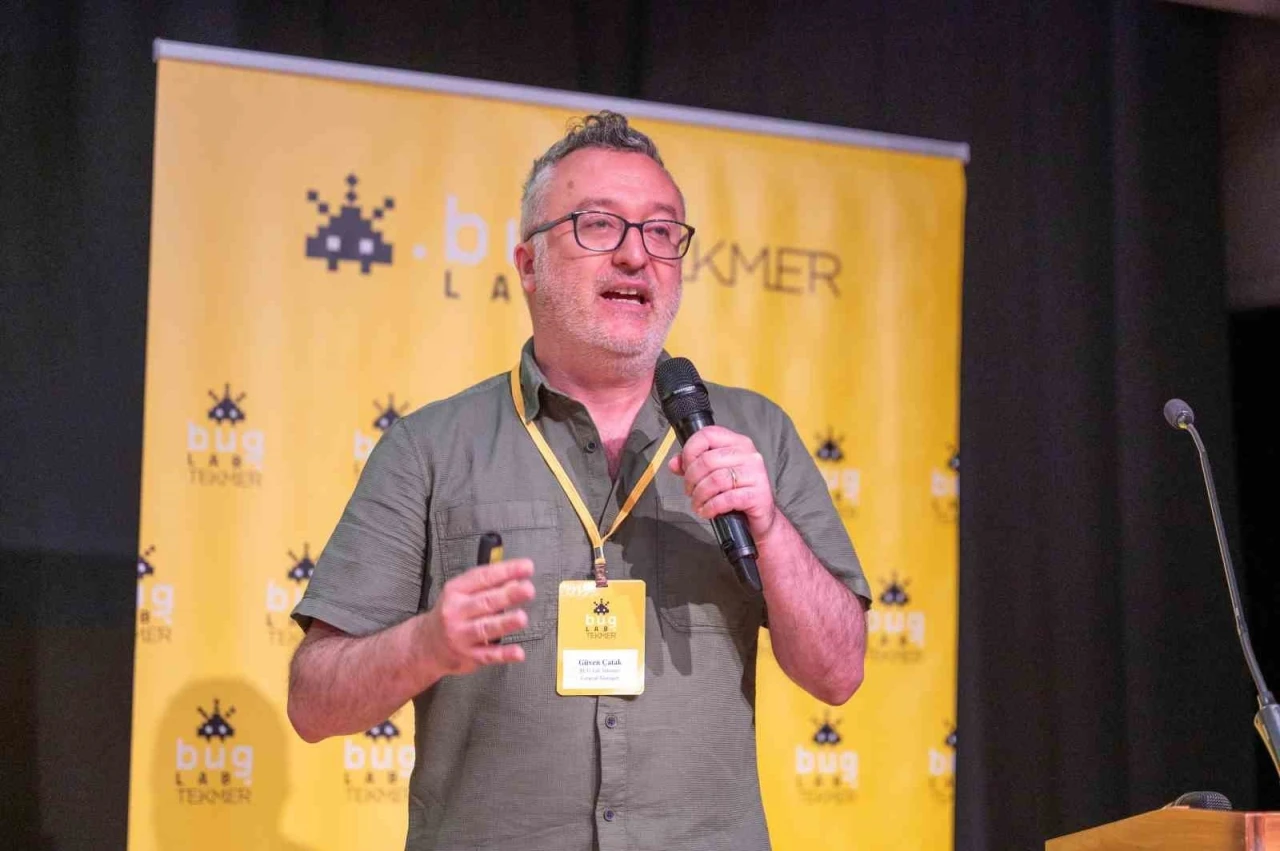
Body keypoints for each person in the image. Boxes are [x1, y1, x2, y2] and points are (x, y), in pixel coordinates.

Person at [288, 111, 871, 851]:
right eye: (599, 225)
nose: (635, 255)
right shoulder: (429, 448)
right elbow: (313, 702)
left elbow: (838, 673)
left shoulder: (754, 435)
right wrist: (428, 643)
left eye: (661, 231)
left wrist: (770, 528)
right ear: (528, 264)